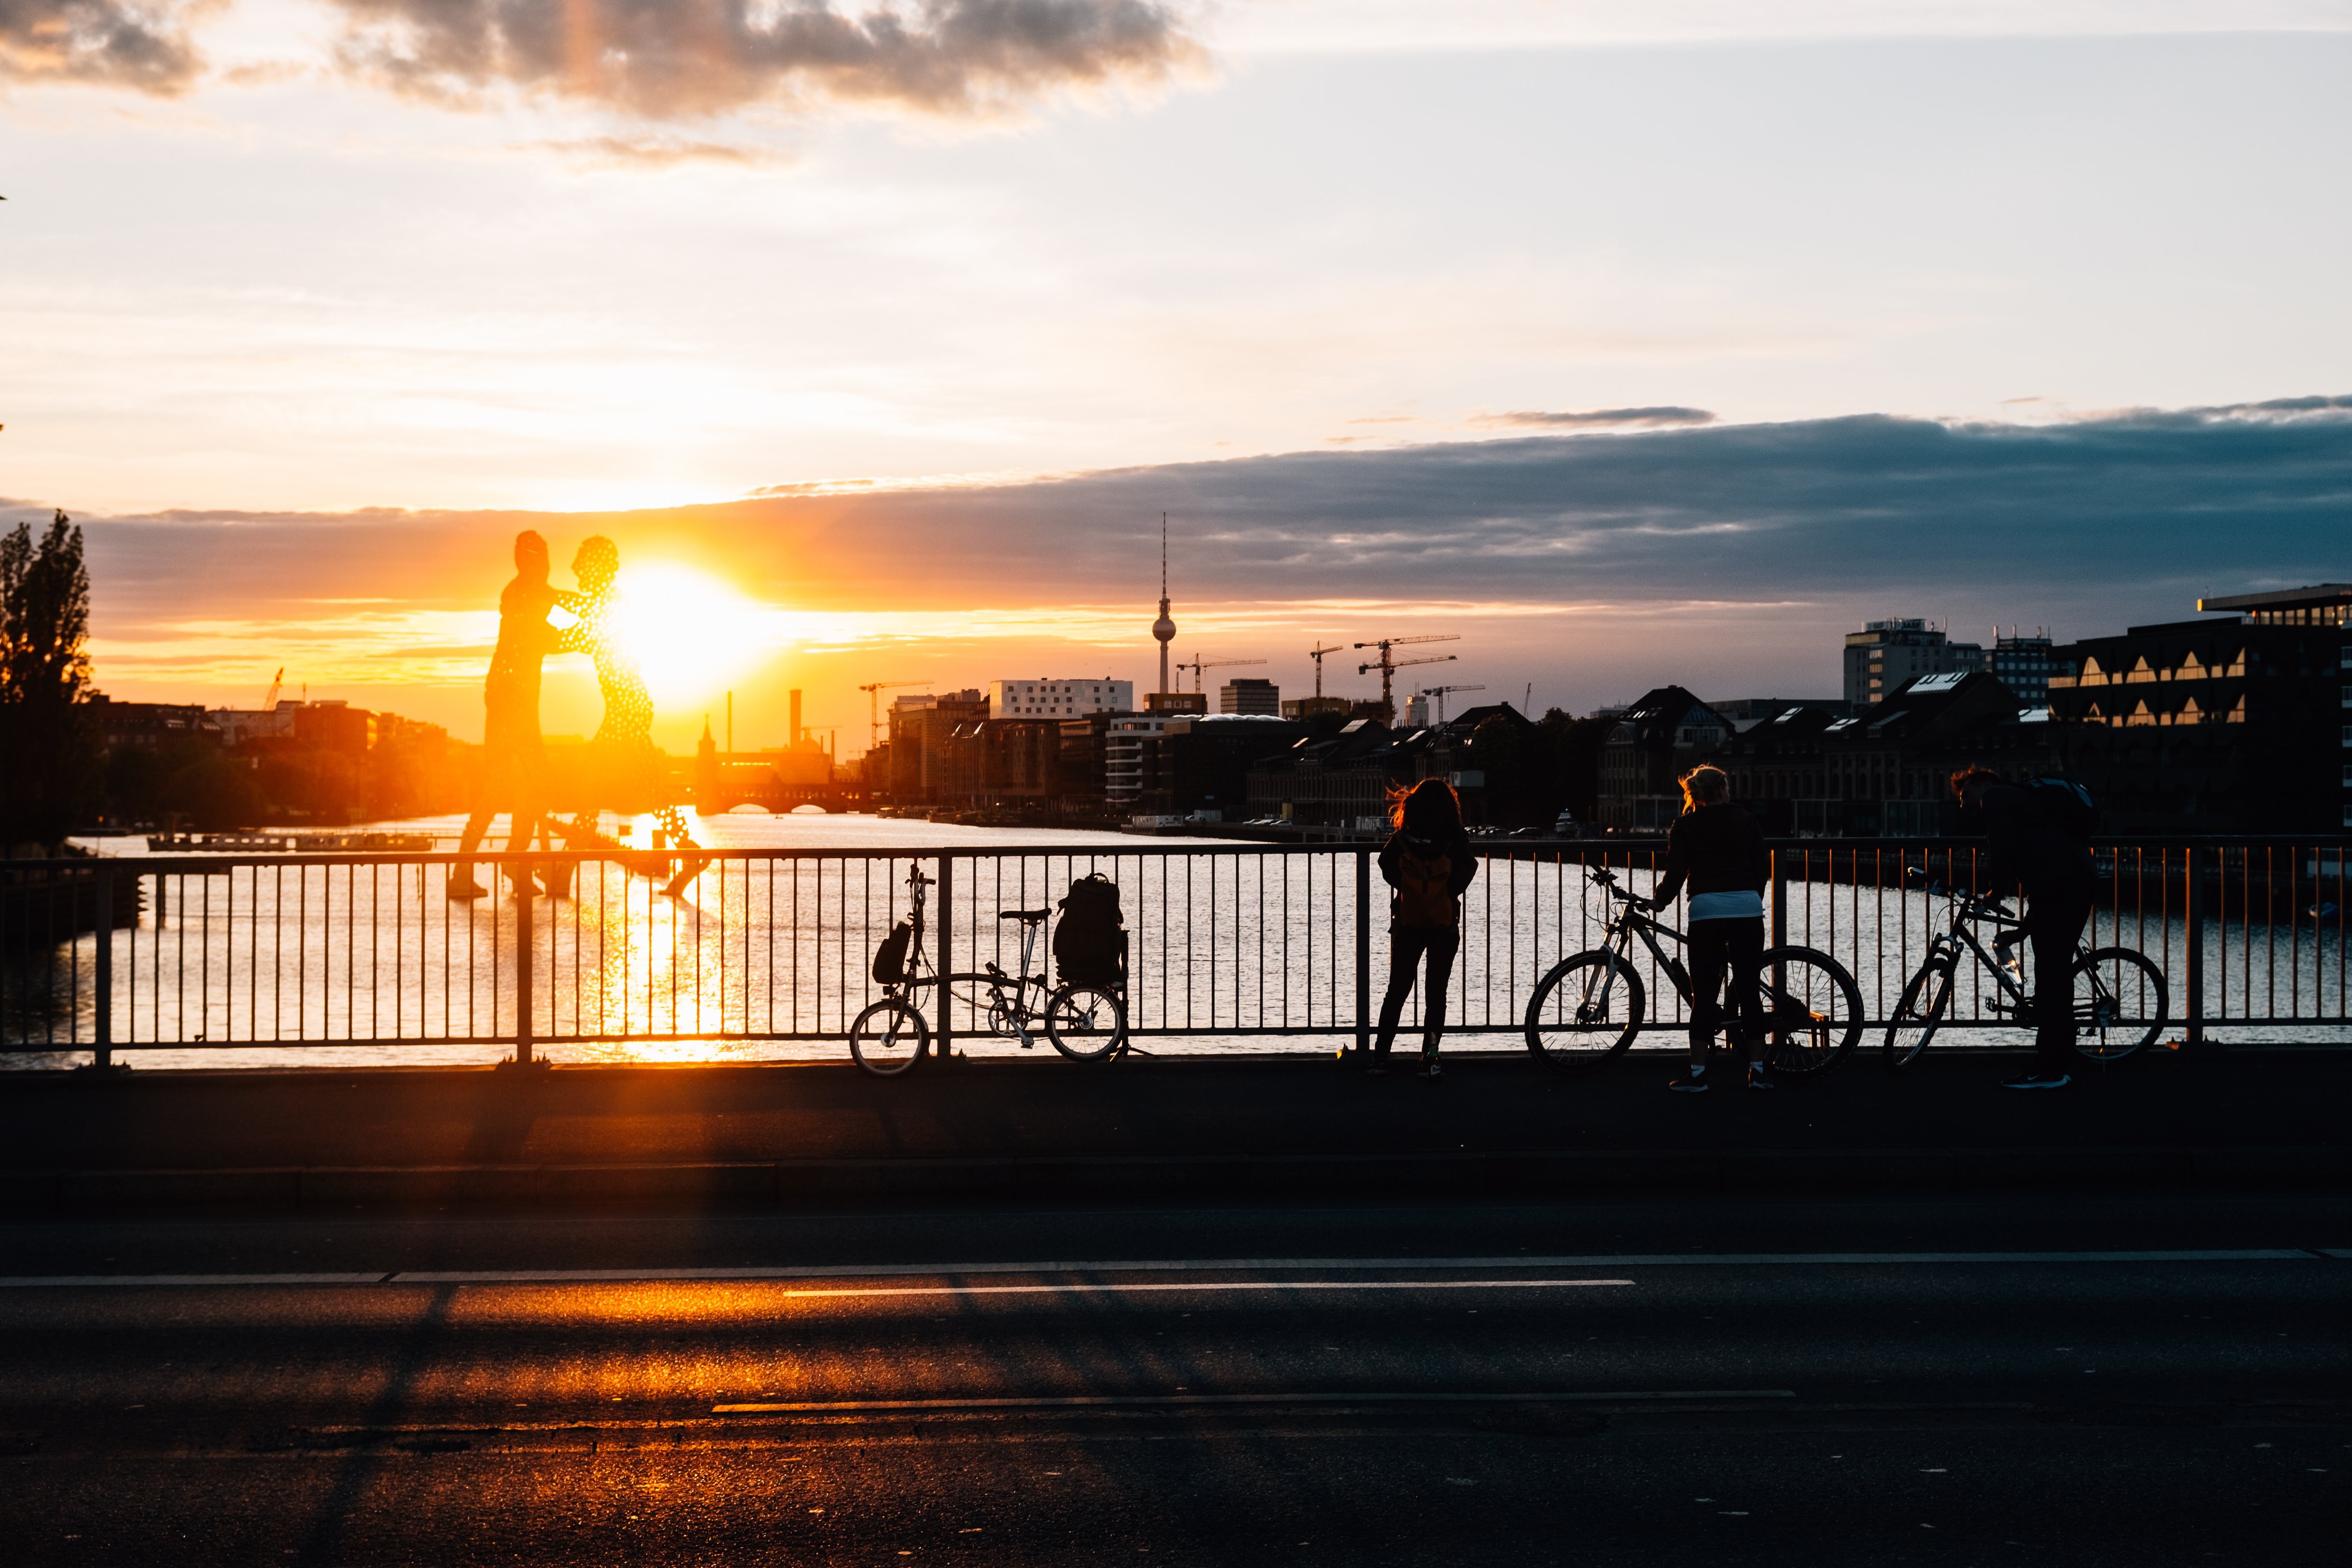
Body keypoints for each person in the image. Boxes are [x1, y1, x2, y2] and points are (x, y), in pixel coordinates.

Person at [549, 536, 705, 893]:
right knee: (648, 790)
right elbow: (577, 628)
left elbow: (573, 633)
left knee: (592, 785)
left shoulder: (610, 605)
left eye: (581, 564)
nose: (575, 570)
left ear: (597, 568)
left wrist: (546, 603)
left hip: (626, 708)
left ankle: (564, 868)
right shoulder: (607, 604)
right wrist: (556, 606)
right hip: (629, 707)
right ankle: (690, 852)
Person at [1951, 767, 2095, 1090]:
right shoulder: (2021, 804)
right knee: (2052, 972)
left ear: (1984, 783)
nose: (1964, 805)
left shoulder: (1997, 797)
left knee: (2052, 977)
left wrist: (1994, 892)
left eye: (1965, 795)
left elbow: (2004, 849)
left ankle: (2052, 1069)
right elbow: (2042, 881)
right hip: (2068, 883)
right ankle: (2053, 1062)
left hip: (2065, 885)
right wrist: (2020, 931)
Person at [450, 531, 567, 900]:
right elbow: (552, 634)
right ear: (532, 563)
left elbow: (564, 603)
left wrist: (596, 617)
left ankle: (469, 869)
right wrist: (601, 631)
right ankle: (507, 862)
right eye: (544, 561)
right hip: (511, 704)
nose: (548, 569)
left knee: (515, 787)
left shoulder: (525, 593)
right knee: (533, 784)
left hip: (509, 700)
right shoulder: (522, 598)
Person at [1646, 764, 1772, 1092]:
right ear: (1722, 790)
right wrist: (1749, 897)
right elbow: (1762, 866)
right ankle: (1758, 1072)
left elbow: (1677, 872)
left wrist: (1660, 902)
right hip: (1746, 908)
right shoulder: (1746, 819)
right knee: (1749, 989)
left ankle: (1699, 1074)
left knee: (1704, 994)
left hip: (1706, 912)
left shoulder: (1685, 825)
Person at [1370, 777, 1477, 1079]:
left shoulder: (1405, 836)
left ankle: (1380, 1058)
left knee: (1397, 991)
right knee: (1436, 995)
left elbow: (1384, 862)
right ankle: (1430, 1059)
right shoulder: (1454, 837)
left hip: (1408, 922)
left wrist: (1409, 887)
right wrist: (1445, 892)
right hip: (1443, 924)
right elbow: (1468, 867)